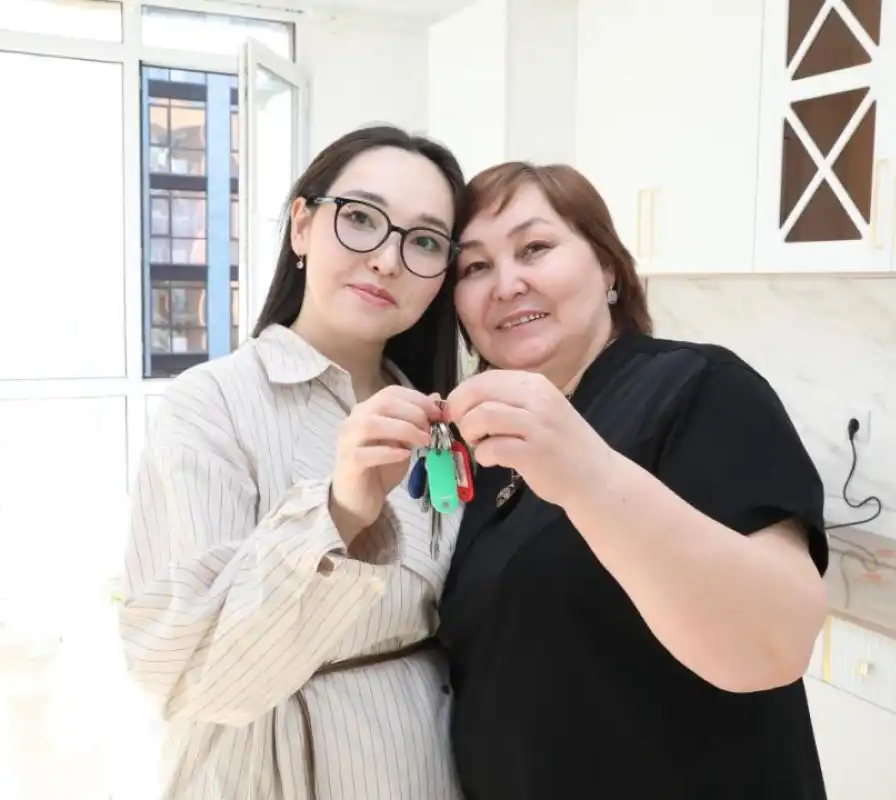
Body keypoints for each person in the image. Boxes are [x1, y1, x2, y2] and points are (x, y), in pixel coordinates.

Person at [438, 162, 831, 799]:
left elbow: (776, 643)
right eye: (475, 266)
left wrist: (585, 475)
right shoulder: (486, 443)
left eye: (534, 247)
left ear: (608, 267)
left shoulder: (699, 388)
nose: (506, 284)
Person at [119, 125, 467, 800]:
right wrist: (340, 512)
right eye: (360, 218)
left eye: (424, 241)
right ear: (302, 226)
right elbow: (181, 670)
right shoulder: (212, 403)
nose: (387, 260)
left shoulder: (440, 421)